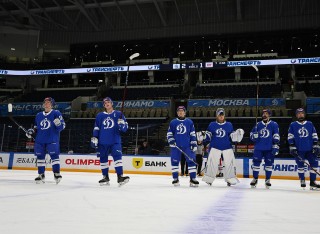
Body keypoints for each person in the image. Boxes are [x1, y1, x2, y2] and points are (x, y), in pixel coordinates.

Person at [91, 97, 130, 186]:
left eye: (108, 102)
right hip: (102, 142)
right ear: (104, 105)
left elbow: (125, 129)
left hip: (115, 141)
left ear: (112, 103)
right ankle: (105, 177)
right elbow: (96, 128)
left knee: (117, 158)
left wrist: (122, 124)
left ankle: (120, 177)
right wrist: (95, 137)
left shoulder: (119, 114)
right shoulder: (100, 115)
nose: (107, 103)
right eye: (105, 103)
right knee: (103, 159)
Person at [26, 97, 65, 184]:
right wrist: (31, 132)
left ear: (52, 105)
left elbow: (62, 127)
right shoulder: (39, 115)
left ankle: (56, 173)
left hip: (52, 139)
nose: (47, 104)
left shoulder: (56, 113)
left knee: (54, 156)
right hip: (40, 140)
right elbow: (36, 128)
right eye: (45, 102)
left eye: (49, 103)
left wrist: (58, 124)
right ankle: (41, 174)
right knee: (40, 158)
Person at [202, 108, 244, 186]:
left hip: (227, 147)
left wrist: (237, 135)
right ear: (217, 116)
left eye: (222, 115)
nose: (221, 116)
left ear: (224, 115)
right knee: (211, 163)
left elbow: (231, 136)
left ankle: (230, 179)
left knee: (230, 163)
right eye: (219, 115)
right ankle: (209, 179)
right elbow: (208, 135)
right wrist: (204, 135)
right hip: (215, 147)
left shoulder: (229, 124)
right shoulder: (212, 124)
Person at [288, 108, 320, 190]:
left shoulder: (310, 124)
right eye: (298, 113)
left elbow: (314, 134)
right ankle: (302, 180)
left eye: (302, 113)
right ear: (296, 115)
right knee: (300, 165)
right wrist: (292, 146)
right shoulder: (293, 124)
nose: (300, 115)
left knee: (315, 164)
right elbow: (290, 136)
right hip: (299, 150)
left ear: (304, 114)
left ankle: (313, 182)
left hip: (310, 149)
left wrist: (316, 144)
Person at [167, 106, 199, 187]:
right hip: (176, 146)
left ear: (185, 112)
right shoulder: (173, 122)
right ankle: (175, 179)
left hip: (187, 146)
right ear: (177, 113)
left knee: (191, 161)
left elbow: (192, 134)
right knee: (174, 162)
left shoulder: (189, 122)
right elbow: (169, 133)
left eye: (182, 111)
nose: (180, 112)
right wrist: (171, 140)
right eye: (179, 111)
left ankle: (193, 178)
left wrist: (194, 143)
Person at [249, 109, 280, 189]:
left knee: (269, 165)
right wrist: (254, 136)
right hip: (258, 148)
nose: (264, 115)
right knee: (256, 164)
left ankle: (267, 180)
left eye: (266, 113)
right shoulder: (258, 124)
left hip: (269, 148)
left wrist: (276, 144)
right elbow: (251, 136)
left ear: (269, 115)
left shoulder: (274, 124)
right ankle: (255, 179)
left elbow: (276, 134)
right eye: (263, 113)